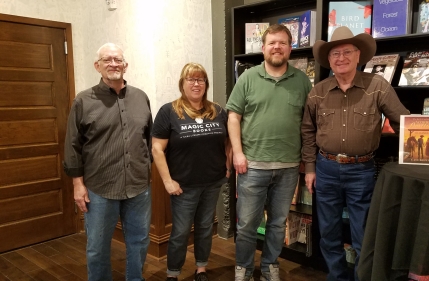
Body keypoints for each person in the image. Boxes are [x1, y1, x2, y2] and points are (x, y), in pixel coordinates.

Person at [301, 26, 410, 281]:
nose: (341, 58)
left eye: (346, 52)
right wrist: (309, 169)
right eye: (335, 53)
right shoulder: (318, 91)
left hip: (362, 171)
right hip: (325, 169)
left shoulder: (377, 86)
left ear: (358, 55)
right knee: (328, 233)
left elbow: (403, 122)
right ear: (328, 59)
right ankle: (337, 277)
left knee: (364, 234)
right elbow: (307, 132)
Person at [227, 24, 312, 281]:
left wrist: (306, 162)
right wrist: (238, 154)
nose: (277, 47)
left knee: (277, 224)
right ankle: (242, 268)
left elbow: (308, 124)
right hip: (252, 166)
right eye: (272, 43)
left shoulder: (302, 81)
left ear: (290, 48)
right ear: (263, 48)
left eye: (283, 43)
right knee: (246, 225)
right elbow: (233, 117)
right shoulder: (248, 78)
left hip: (288, 167)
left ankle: (269, 266)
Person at [63, 43, 152, 281]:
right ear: (97, 66)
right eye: (107, 60)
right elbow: (73, 145)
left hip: (138, 186)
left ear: (125, 65)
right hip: (100, 188)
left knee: (140, 241)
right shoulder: (83, 101)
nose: (113, 64)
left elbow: (147, 138)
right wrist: (77, 185)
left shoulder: (141, 97)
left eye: (118, 59)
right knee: (97, 247)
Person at [151, 63, 232, 281]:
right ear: (182, 83)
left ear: (206, 84)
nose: (196, 84)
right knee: (180, 232)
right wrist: (167, 181)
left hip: (213, 182)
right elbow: (157, 149)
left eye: (201, 79)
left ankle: (201, 269)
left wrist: (227, 166)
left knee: (205, 228)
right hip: (183, 186)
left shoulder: (218, 111)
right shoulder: (169, 111)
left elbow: (228, 141)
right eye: (191, 79)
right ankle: (173, 274)